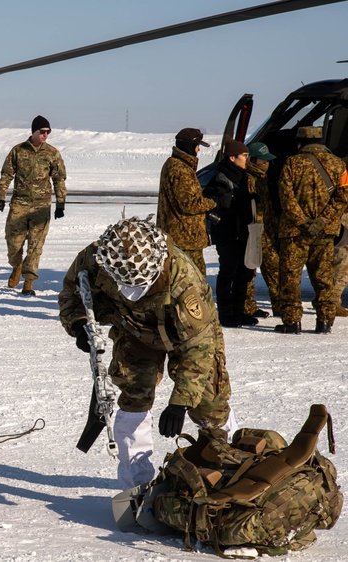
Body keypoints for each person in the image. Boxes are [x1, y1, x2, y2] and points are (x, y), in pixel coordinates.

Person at [58, 217, 235, 490]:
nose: (132, 294)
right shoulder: (96, 258)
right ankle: (135, 482)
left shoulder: (185, 281)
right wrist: (79, 324)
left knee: (208, 403)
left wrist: (180, 403)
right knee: (134, 396)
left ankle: (227, 468)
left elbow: (198, 348)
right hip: (133, 330)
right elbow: (71, 293)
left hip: (187, 337)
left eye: (139, 287)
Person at [274, 126, 348, 334]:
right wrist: (323, 221)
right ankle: (324, 321)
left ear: (300, 142)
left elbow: (285, 198)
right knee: (323, 277)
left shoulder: (291, 163)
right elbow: (343, 196)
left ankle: (292, 322)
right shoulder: (338, 165)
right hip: (325, 233)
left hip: (294, 232)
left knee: (290, 277)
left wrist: (303, 222)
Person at [0, 115, 67, 296]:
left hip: (41, 207)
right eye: (42, 131)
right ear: (33, 131)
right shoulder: (18, 151)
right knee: (13, 242)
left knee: (36, 246)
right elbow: (6, 175)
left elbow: (59, 179)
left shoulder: (52, 153)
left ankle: (28, 282)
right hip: (19, 204)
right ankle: (17, 266)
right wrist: (1, 197)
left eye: (48, 132)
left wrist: (60, 204)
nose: (45, 135)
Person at [203, 137, 258, 327]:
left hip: (243, 232)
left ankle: (239, 311)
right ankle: (226, 313)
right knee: (228, 272)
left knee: (244, 273)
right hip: (227, 233)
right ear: (232, 158)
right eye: (244, 155)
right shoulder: (220, 178)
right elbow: (215, 204)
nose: (247, 159)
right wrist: (232, 203)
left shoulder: (243, 177)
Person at [156, 128, 219, 276]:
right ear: (189, 146)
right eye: (197, 145)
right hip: (185, 237)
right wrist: (214, 202)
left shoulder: (175, 165)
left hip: (181, 235)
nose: (198, 150)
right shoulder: (180, 169)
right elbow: (190, 205)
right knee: (193, 279)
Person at [242, 141, 279, 319]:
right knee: (250, 270)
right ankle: (247, 306)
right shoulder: (248, 179)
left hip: (266, 232)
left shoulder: (263, 179)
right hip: (254, 232)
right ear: (253, 159)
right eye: (262, 161)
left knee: (274, 268)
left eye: (267, 161)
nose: (266, 164)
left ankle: (280, 304)